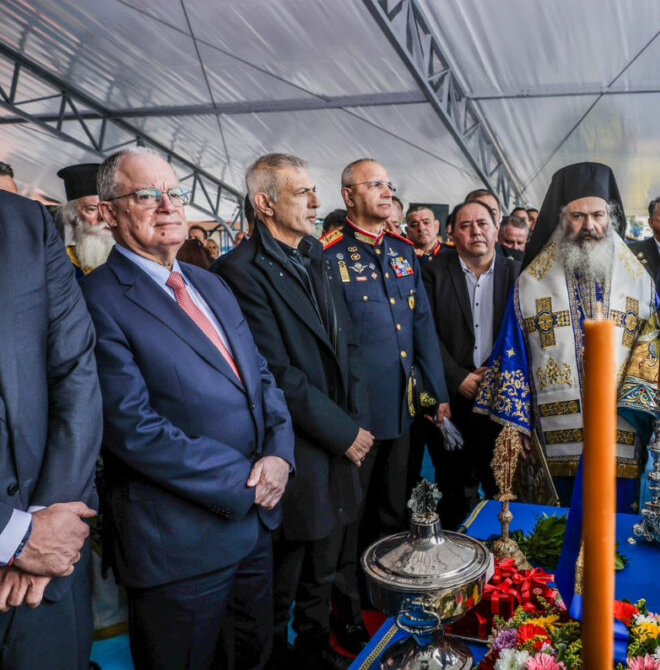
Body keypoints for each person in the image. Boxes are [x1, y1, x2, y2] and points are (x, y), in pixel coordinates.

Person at [82, 147, 295, 670]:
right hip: (178, 545)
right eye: (146, 195)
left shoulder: (210, 283)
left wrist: (279, 454)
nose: (168, 206)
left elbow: (260, 377)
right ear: (108, 212)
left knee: (253, 658)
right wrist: (246, 480)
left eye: (175, 193)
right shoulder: (96, 298)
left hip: (254, 525)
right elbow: (131, 428)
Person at [214, 153, 371, 669]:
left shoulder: (314, 255)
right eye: (302, 192)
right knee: (285, 576)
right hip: (296, 447)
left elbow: (346, 344)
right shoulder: (237, 272)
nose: (317, 202)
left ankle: (314, 649)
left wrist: (356, 422)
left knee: (324, 566)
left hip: (340, 439)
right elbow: (276, 373)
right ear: (265, 203)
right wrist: (343, 432)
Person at [475, 162, 660, 510]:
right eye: (578, 216)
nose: (589, 226)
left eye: (598, 215)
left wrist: (648, 415)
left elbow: (654, 349)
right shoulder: (531, 283)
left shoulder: (638, 280)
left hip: (620, 429)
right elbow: (514, 350)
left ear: (611, 218)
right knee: (555, 526)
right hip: (554, 438)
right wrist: (518, 423)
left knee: (616, 524)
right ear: (562, 219)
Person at [322, 157, 448, 652]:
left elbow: (421, 327)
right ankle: (348, 613)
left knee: (394, 511)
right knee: (350, 521)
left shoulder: (402, 251)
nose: (386, 191)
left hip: (402, 408)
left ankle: (390, 595)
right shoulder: (329, 255)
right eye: (374, 184)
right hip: (356, 416)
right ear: (349, 195)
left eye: (389, 184)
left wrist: (435, 394)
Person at [0, 189, 102, 669]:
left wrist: (50, 524)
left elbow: (75, 371)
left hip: (49, 564)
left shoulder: (23, 222)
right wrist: (14, 535)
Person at [422, 199, 521, 527]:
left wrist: (496, 378)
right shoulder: (432, 273)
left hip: (502, 402)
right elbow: (425, 333)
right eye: (465, 226)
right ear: (452, 233)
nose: (475, 231)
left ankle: (500, 554)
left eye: (482, 224)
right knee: (455, 491)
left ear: (497, 229)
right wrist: (457, 377)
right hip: (452, 400)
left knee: (502, 489)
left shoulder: (518, 274)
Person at [57, 164, 115, 278]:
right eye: (92, 209)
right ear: (73, 218)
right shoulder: (57, 265)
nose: (104, 218)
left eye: (109, 209)